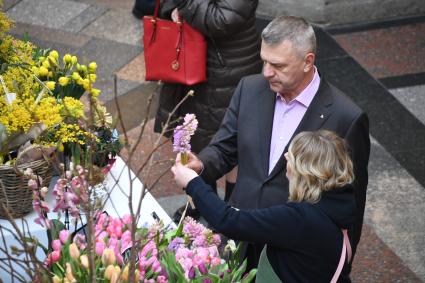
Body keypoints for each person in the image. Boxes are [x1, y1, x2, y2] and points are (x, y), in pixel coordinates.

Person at [182, 15, 370, 270]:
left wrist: (339, 266)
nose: (267, 72)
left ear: (308, 62)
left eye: (278, 65)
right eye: (264, 62)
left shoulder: (346, 117)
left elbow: (352, 206)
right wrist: (201, 165)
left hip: (291, 254)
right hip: (239, 237)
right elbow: (225, 147)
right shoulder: (250, 89)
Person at [172, 130, 357, 282]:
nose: (285, 157)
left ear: (305, 171)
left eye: (291, 157)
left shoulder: (300, 219)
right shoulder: (335, 209)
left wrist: (192, 183)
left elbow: (228, 221)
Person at [153, 0, 263, 221]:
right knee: (194, 133)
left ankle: (233, 203)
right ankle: (201, 198)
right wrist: (173, 9)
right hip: (192, 56)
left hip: (229, 67)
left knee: (231, 139)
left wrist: (184, 4)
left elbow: (222, 19)